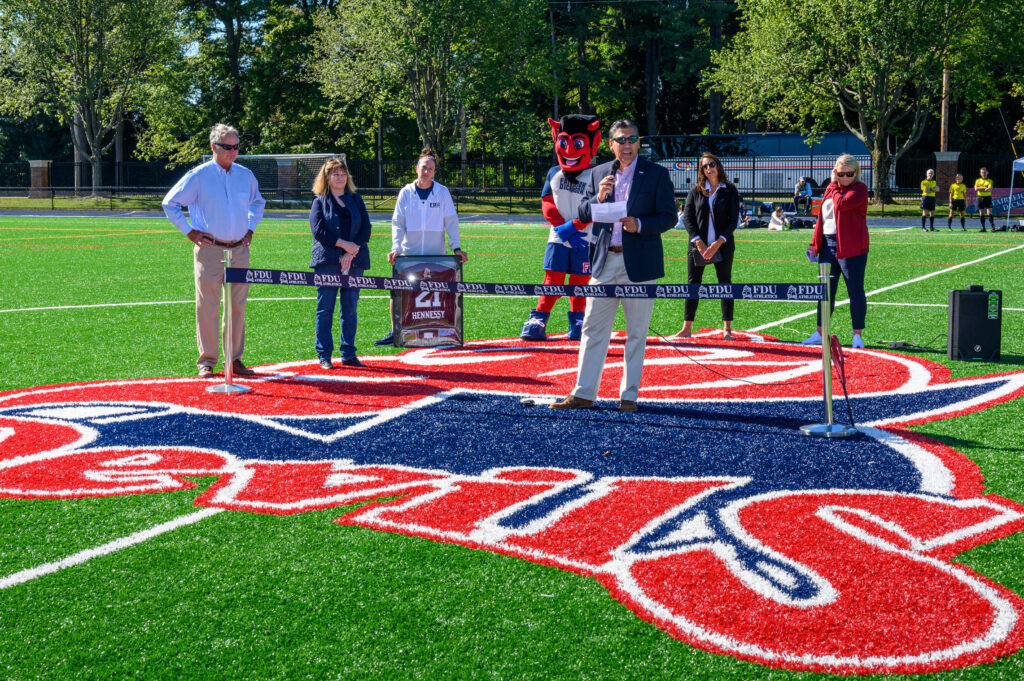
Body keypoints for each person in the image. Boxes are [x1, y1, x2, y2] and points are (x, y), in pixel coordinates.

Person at [549, 119, 676, 413]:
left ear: (639, 142)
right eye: (622, 140)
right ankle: (583, 393)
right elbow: (582, 213)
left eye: (632, 139)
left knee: (636, 333)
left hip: (640, 265)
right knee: (593, 329)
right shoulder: (598, 173)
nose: (627, 145)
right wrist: (599, 196)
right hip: (605, 262)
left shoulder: (656, 174)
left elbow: (669, 216)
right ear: (611, 144)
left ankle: (629, 396)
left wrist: (640, 223)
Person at [162, 123, 265, 378]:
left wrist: (250, 228)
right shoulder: (198, 176)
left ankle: (234, 360)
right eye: (226, 146)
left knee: (237, 306)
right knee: (208, 305)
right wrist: (189, 231)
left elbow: (258, 202)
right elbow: (170, 202)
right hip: (210, 250)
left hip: (239, 249)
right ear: (213, 147)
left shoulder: (245, 175)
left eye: (236, 147)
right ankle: (207, 361)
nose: (232, 151)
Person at [520, 114, 600, 341]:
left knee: (580, 281)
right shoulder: (554, 172)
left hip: (586, 238)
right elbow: (547, 203)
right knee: (552, 279)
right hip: (557, 237)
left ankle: (578, 320)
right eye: (564, 142)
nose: (570, 150)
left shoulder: (596, 174)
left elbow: (595, 207)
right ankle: (539, 319)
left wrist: (572, 228)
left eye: (577, 143)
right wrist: (562, 228)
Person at [375, 149, 467, 346]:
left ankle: (440, 330)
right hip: (410, 255)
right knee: (399, 292)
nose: (426, 172)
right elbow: (398, 222)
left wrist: (456, 246)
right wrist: (396, 247)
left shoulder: (442, 192)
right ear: (416, 169)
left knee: (438, 293)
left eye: (431, 169)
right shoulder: (406, 193)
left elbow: (451, 221)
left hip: (436, 256)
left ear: (434, 172)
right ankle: (396, 331)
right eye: (424, 167)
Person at [309, 158, 371, 369]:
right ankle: (325, 355)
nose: (340, 178)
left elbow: (366, 229)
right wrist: (343, 245)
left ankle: (349, 353)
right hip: (327, 261)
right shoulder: (320, 200)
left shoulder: (356, 199)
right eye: (335, 174)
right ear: (326, 177)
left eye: (343, 174)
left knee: (350, 309)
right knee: (325, 309)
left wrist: (351, 252)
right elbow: (318, 231)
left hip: (355, 260)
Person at [671, 152, 741, 340]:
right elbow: (687, 218)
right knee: (693, 284)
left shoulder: (730, 190)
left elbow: (733, 220)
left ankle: (727, 328)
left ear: (717, 165)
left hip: (723, 245)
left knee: (725, 282)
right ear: (701, 170)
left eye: (711, 164)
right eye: (704, 166)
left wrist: (718, 243)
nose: (709, 168)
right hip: (697, 246)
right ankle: (687, 327)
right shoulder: (696, 190)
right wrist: (699, 242)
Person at [801, 154, 869, 349]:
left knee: (855, 291)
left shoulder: (860, 189)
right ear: (836, 172)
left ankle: (857, 335)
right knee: (825, 291)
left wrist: (834, 184)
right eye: (841, 173)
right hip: (828, 245)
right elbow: (822, 219)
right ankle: (820, 332)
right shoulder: (831, 189)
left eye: (850, 173)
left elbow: (842, 205)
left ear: (856, 173)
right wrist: (814, 244)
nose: (846, 177)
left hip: (852, 247)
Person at [974, 167, 995, 232]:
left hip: (987, 197)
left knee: (989, 212)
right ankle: (983, 228)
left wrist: (980, 188)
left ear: (987, 173)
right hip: (980, 197)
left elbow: (990, 188)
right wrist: (984, 188)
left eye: (985, 172)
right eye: (982, 172)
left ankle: (992, 227)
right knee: (981, 212)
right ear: (980, 173)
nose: (983, 174)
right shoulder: (977, 180)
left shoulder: (990, 180)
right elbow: (976, 189)